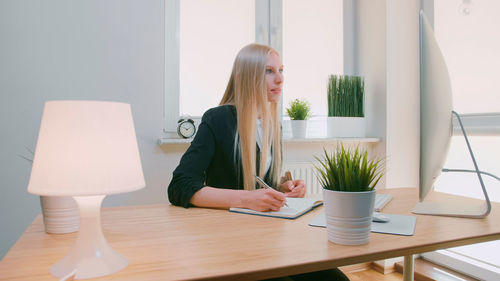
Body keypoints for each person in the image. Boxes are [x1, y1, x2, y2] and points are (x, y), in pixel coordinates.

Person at [168, 43, 349, 281]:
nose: (280, 79)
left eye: (281, 70)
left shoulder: (274, 125)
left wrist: (282, 189)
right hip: (231, 246)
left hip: (270, 239)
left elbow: (262, 183)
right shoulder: (218, 119)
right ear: (245, 77)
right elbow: (179, 186)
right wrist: (246, 199)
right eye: (269, 71)